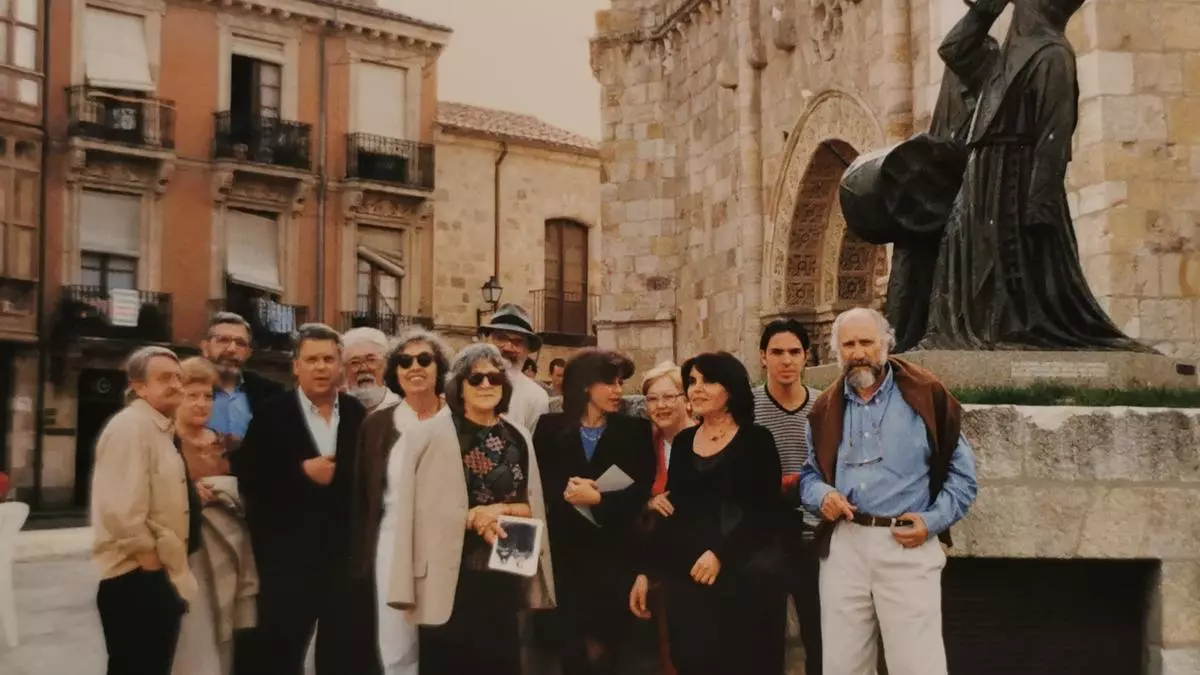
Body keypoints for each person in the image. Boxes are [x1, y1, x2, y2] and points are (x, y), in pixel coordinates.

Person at [919, 0, 1148, 352]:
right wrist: (984, 12)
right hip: (982, 175)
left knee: (1006, 273)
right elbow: (954, 50)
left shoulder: (1052, 55)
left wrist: (1039, 206)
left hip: (1014, 180)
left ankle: (1008, 330)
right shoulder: (1003, 58)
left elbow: (1053, 137)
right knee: (973, 267)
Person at [800, 307, 979, 675]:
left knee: (917, 665)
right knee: (841, 666)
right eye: (848, 344)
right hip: (844, 546)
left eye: (866, 341)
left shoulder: (925, 395)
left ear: (886, 344)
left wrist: (930, 522)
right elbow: (809, 476)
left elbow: (964, 477)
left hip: (905, 542)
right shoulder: (825, 408)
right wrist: (822, 496)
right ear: (837, 351)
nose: (858, 352)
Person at [385, 343, 556, 675]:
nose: (486, 385)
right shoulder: (427, 435)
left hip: (505, 575)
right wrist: (472, 519)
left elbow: (531, 505)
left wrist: (495, 511)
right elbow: (413, 511)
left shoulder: (518, 436)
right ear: (459, 386)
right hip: (449, 578)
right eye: (476, 378)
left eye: (494, 378)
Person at [630, 352, 785, 675]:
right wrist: (647, 570)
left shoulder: (757, 440)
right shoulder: (685, 442)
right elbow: (676, 510)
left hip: (745, 578)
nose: (696, 389)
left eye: (707, 381)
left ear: (731, 389)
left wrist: (720, 555)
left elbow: (765, 514)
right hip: (690, 581)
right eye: (692, 381)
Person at [235, 324, 372, 675]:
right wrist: (300, 472)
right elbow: (249, 481)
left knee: (342, 657)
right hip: (286, 566)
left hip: (342, 564)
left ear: (341, 365)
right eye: (312, 359)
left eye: (329, 359)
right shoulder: (270, 414)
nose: (321, 367)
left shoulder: (357, 414)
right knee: (280, 654)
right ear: (296, 366)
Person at [534, 349, 655, 675]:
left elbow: (639, 494)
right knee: (571, 655)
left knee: (614, 655)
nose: (618, 390)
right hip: (565, 561)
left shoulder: (636, 431)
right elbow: (539, 487)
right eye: (609, 382)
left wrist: (597, 497)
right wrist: (569, 493)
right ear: (585, 385)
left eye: (620, 383)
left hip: (616, 558)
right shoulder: (548, 428)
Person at [345, 328, 454, 675]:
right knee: (396, 640)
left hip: (447, 545)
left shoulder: (457, 422)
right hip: (391, 542)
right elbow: (363, 494)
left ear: (439, 368)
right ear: (395, 371)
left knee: (446, 635)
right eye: (405, 361)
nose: (415, 366)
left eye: (425, 359)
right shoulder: (377, 425)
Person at [91, 346, 197, 675]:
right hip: (136, 579)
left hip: (156, 576)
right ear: (138, 386)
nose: (176, 385)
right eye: (164, 378)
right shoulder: (130, 428)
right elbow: (120, 511)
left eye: (179, 377)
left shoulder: (159, 430)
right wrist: (150, 561)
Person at [172, 357, 258, 675]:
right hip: (187, 554)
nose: (200, 403)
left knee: (228, 633)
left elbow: (253, 489)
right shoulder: (165, 444)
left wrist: (227, 489)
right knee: (193, 634)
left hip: (233, 551)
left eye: (207, 396)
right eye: (191, 395)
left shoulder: (229, 445)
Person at [753, 319, 823, 675]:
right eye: (777, 352)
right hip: (764, 535)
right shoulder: (746, 407)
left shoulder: (823, 407)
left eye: (794, 352)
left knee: (820, 634)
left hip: (815, 534)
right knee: (765, 636)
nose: (786, 360)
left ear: (806, 357)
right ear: (763, 357)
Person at [639, 361, 694, 675]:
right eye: (652, 399)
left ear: (685, 399)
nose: (660, 406)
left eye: (668, 397)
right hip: (662, 562)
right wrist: (649, 501)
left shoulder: (706, 437)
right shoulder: (647, 444)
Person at [201, 313, 284, 443]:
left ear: (248, 353)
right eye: (223, 340)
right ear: (205, 347)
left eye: (240, 343)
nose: (232, 349)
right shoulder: (183, 387)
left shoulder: (271, 394)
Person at [478, 303, 550, 432]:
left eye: (517, 342)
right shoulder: (466, 385)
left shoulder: (536, 397)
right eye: (501, 338)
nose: (508, 347)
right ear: (486, 341)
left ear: (527, 350)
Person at [343, 327, 401, 413]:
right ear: (344, 369)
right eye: (355, 362)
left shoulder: (400, 409)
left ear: (385, 364)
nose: (363, 368)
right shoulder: (336, 411)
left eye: (371, 360)